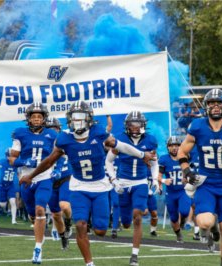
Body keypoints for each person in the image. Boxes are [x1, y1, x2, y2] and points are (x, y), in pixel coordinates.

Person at [20, 102, 154, 266]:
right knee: (81, 225)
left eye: (81, 117)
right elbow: (48, 161)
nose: (77, 121)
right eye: (74, 117)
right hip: (79, 187)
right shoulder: (64, 138)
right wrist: (31, 175)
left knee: (100, 231)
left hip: (100, 187)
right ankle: (89, 263)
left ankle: (92, 220)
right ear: (70, 119)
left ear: (89, 118)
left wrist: (142, 155)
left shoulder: (98, 133)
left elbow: (121, 146)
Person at [177, 89, 222, 266]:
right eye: (211, 103)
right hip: (206, 183)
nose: (215, 106)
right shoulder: (197, 126)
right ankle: (212, 224)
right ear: (206, 106)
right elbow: (182, 151)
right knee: (204, 223)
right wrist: (187, 171)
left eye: (219, 103)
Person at [105, 110, 158, 266]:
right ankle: (123, 221)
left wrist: (155, 179)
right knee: (127, 222)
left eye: (137, 125)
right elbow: (109, 161)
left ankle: (134, 255)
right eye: (132, 125)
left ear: (143, 125)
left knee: (138, 215)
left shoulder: (150, 140)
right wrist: (114, 180)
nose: (135, 128)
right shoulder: (120, 139)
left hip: (140, 182)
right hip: (123, 182)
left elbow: (154, 162)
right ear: (127, 126)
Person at [9, 102, 58, 263]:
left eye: (39, 116)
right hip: (26, 179)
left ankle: (38, 249)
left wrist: (57, 168)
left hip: (44, 177)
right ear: (28, 119)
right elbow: (12, 160)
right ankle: (39, 231)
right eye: (34, 116)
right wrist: (25, 161)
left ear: (44, 118)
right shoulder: (20, 134)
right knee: (32, 214)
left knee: (39, 209)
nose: (36, 119)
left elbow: (58, 155)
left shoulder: (52, 135)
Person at [45, 117, 72, 249]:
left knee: (65, 206)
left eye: (54, 128)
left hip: (65, 176)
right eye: (49, 128)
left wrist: (59, 169)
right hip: (49, 180)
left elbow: (61, 156)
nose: (52, 131)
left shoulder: (63, 138)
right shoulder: (42, 142)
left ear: (59, 129)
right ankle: (63, 237)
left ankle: (68, 223)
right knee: (55, 214)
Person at [158, 136, 191, 243]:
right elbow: (158, 176)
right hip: (171, 193)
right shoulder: (164, 159)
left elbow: (191, 171)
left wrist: (187, 177)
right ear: (168, 147)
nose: (174, 148)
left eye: (176, 145)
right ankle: (178, 234)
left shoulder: (185, 157)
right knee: (173, 218)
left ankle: (183, 223)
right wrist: (163, 181)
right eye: (171, 145)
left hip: (183, 191)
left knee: (185, 211)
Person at [0, 149, 18, 225]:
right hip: (2, 185)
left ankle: (13, 220)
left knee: (13, 202)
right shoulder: (2, 162)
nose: (11, 157)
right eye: (9, 155)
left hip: (11, 185)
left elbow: (19, 172)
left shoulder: (16, 163)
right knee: (3, 204)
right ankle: (2, 205)